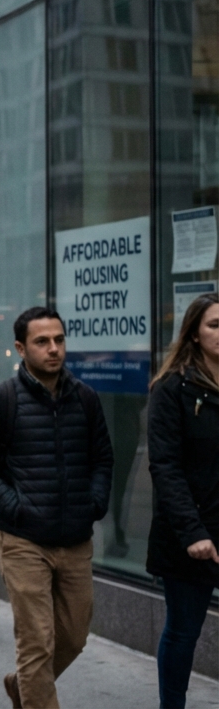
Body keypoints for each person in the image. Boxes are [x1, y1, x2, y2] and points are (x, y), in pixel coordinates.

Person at [0, 307, 112, 709]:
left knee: (74, 637)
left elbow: (103, 459)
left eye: (59, 340)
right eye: (42, 342)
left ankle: (22, 685)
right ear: (20, 348)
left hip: (75, 537)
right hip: (23, 540)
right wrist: (15, 506)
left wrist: (94, 503)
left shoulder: (85, 399)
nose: (54, 349)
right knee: (37, 641)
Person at [146, 293, 219, 709]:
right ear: (193, 333)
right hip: (191, 532)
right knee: (184, 630)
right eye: (214, 325)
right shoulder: (172, 388)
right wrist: (193, 532)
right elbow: (165, 467)